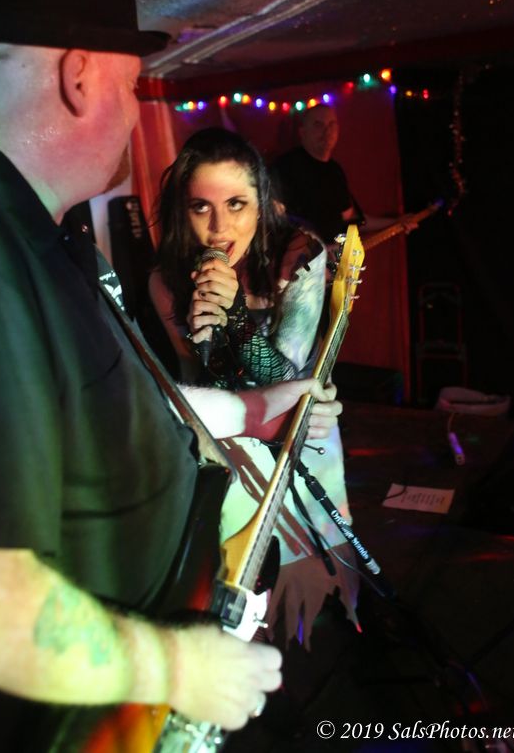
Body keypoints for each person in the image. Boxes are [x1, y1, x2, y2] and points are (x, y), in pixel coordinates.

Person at [0, 0, 342, 752]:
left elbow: (118, 406)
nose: (133, 111)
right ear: (80, 77)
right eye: (132, 85)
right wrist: (173, 667)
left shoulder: (27, 233)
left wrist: (259, 406)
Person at [148, 127, 359, 649]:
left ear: (262, 204)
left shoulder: (299, 255)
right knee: (242, 591)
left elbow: (290, 383)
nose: (219, 228)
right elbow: (202, 388)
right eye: (201, 207)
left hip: (302, 434)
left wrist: (236, 317)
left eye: (236, 205)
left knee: (311, 591)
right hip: (234, 447)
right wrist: (206, 336)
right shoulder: (167, 279)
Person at [271, 102, 418, 250]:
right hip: (302, 261)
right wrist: (313, 250)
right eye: (318, 125)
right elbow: (273, 221)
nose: (327, 132)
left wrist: (396, 222)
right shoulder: (285, 167)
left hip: (333, 261)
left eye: (332, 125)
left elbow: (352, 219)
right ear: (303, 132)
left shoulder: (335, 171)